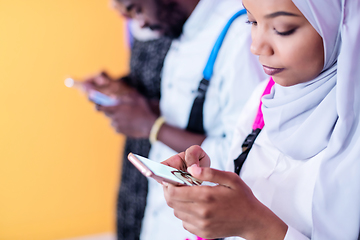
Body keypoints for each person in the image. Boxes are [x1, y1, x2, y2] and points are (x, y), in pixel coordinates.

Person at [162, 0, 360, 239]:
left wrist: (256, 225)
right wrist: (207, 189)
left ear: (341, 26)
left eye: (282, 28)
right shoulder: (266, 96)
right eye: (252, 21)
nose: (256, 46)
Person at [90, 0, 266, 239]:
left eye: (137, 9)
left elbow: (245, 155)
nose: (139, 23)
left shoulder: (240, 36)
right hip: (159, 220)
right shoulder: (181, 30)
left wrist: (151, 127)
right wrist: (132, 101)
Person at [83, 11, 172, 240]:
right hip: (139, 144)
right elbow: (146, 79)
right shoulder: (134, 23)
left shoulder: (182, 22)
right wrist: (118, 88)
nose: (126, 15)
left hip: (175, 144)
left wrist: (146, 117)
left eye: (132, 7)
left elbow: (195, 102)